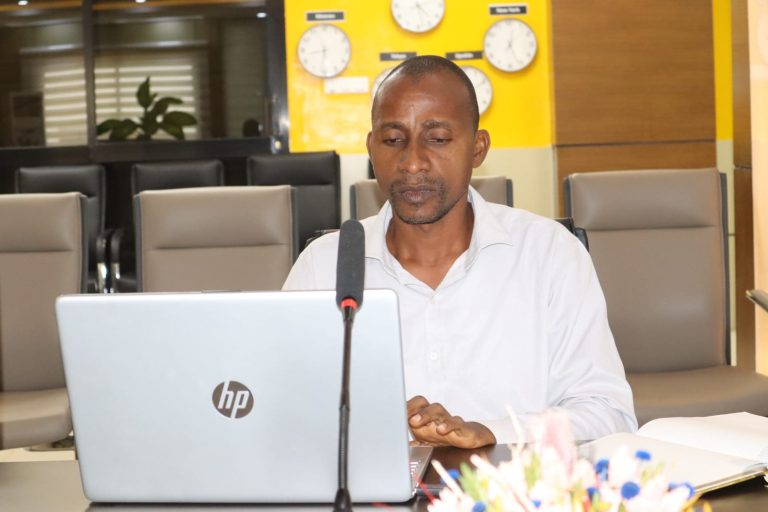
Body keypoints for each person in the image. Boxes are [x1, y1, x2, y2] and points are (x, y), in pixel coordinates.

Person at [283, 55, 637, 448]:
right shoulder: (324, 267)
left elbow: (608, 413)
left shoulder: (549, 254)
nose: (412, 162)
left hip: (514, 483)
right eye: (393, 140)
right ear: (371, 147)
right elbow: (281, 410)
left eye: (437, 139)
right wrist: (379, 430)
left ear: (478, 148)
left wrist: (492, 433)